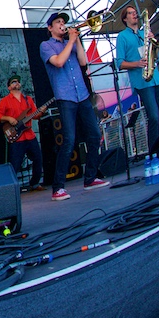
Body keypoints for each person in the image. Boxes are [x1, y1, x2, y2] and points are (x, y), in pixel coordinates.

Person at [39, 12, 109, 201]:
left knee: (95, 135)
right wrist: (70, 40)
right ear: (50, 28)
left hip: (82, 95)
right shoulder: (46, 46)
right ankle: (58, 188)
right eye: (58, 22)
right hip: (66, 96)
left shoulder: (70, 42)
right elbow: (59, 62)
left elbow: (83, 62)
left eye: (64, 22)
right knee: (69, 140)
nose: (62, 25)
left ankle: (91, 178)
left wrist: (76, 39)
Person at [114, 5, 159, 147]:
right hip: (142, 81)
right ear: (125, 18)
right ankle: (154, 151)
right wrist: (137, 63)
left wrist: (153, 43)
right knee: (154, 116)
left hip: (156, 78)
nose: (135, 15)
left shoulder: (143, 33)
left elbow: (154, 55)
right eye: (131, 13)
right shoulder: (122, 36)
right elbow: (119, 63)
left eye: (135, 13)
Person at [0, 74, 43, 191]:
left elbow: (35, 115)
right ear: (9, 87)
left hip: (29, 135)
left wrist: (41, 112)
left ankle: (35, 183)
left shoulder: (28, 99)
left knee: (38, 158)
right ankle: (12, 188)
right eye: (13, 82)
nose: (16, 83)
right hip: (17, 137)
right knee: (15, 163)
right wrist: (9, 118)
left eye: (18, 81)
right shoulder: (5, 101)